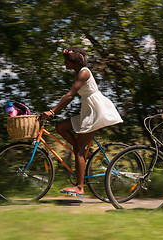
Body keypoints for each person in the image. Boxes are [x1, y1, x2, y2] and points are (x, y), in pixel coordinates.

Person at [43, 47, 123, 195]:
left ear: (74, 61)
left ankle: (80, 187)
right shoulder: (79, 72)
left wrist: (52, 111)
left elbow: (70, 95)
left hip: (95, 111)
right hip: (89, 110)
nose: (65, 64)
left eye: (66, 61)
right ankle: (82, 155)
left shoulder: (84, 72)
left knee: (78, 150)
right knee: (60, 127)